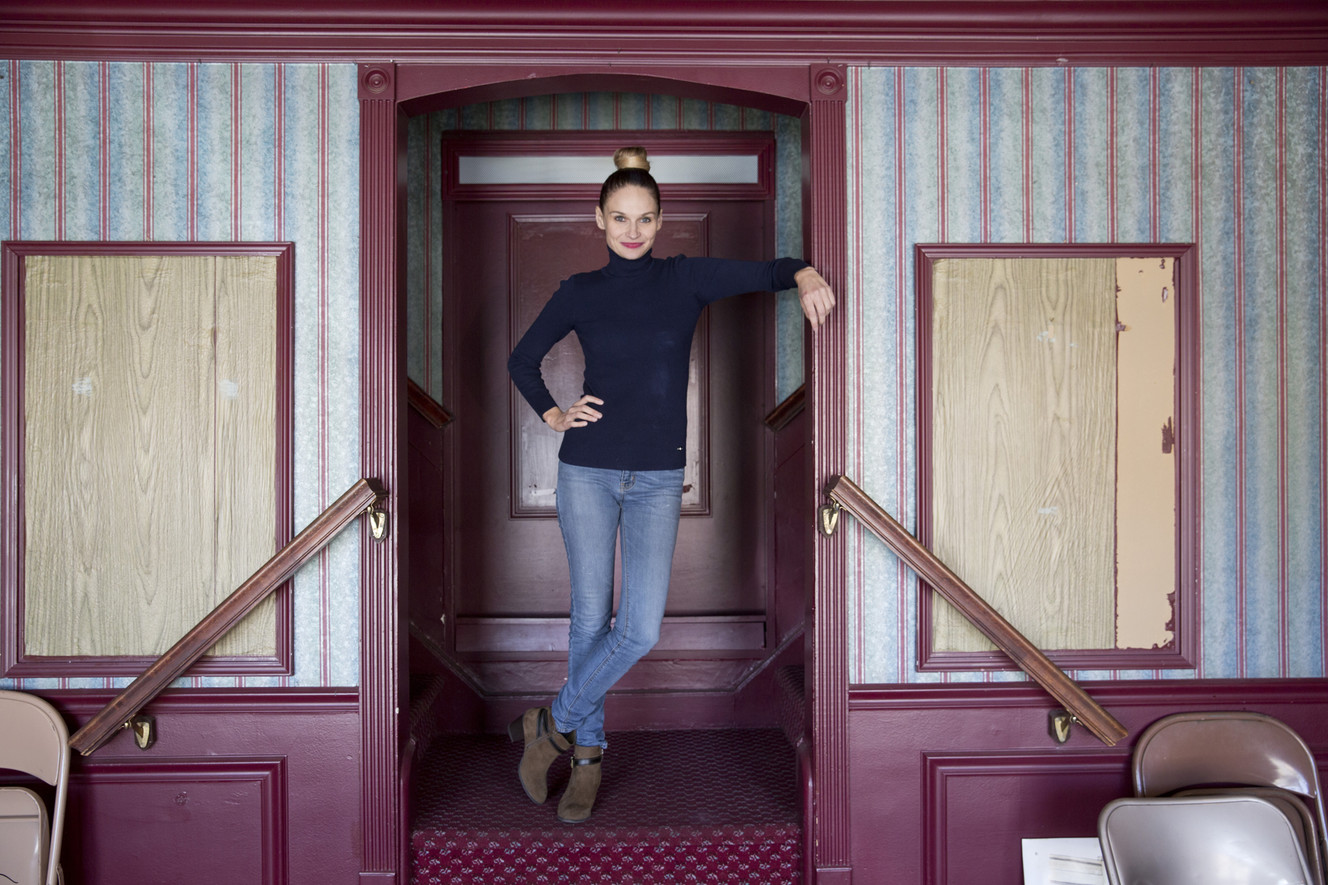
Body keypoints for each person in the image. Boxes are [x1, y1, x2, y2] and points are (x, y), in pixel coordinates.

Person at [506, 146, 835, 824]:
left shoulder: (685, 278)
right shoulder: (578, 291)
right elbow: (521, 358)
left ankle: (550, 722)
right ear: (599, 219)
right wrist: (555, 413)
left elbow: (769, 270)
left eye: (645, 218)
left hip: (657, 477)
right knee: (589, 618)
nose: (632, 230)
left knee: (640, 627)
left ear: (661, 223)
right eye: (620, 217)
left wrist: (803, 274)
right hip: (587, 470)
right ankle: (586, 754)